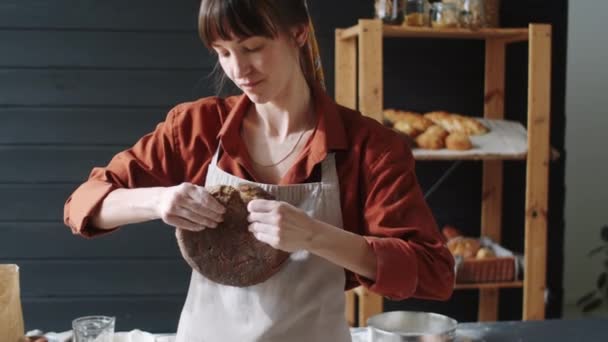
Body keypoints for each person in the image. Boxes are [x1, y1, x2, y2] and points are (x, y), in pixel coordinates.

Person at [63, 0, 455, 341]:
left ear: (299, 32)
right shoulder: (196, 127)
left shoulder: (370, 148)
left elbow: (433, 273)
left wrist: (314, 235)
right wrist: (159, 200)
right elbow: (85, 204)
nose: (239, 69)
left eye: (252, 48)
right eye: (223, 52)